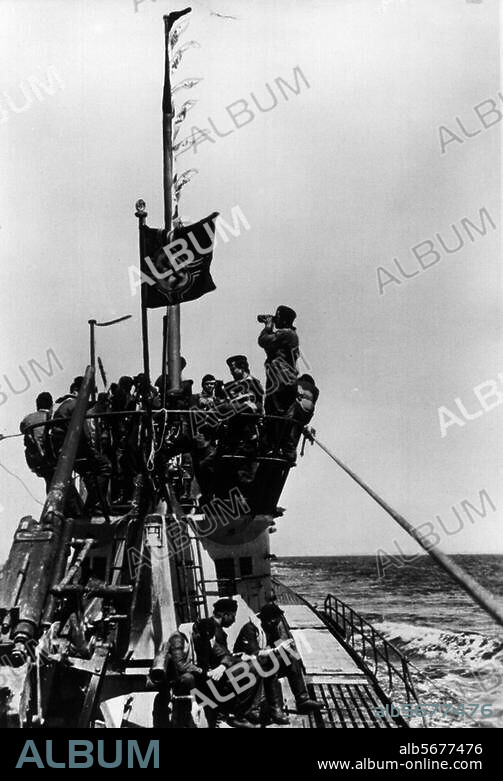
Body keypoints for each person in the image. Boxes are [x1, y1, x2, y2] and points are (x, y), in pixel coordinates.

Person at [233, 602, 321, 724]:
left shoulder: (271, 627)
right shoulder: (251, 629)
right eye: (274, 619)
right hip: (247, 669)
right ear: (267, 619)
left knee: (292, 659)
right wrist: (277, 651)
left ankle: (302, 700)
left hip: (263, 664)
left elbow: (279, 646)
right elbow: (255, 654)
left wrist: (288, 650)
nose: (276, 622)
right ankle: (275, 710)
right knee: (273, 665)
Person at [192, 598, 264, 728]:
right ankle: (239, 714)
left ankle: (249, 710)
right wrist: (229, 662)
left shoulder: (213, 627)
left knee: (252, 663)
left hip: (216, 672)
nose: (234, 620)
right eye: (232, 616)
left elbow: (221, 653)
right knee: (255, 668)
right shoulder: (210, 629)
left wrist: (238, 656)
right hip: (211, 676)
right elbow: (218, 653)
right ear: (224, 615)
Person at [52, 377, 111, 516]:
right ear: (76, 391)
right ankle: (94, 506)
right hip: (77, 452)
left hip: (64, 451)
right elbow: (83, 433)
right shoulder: (75, 405)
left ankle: (94, 506)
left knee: (90, 475)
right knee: (105, 467)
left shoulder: (61, 405)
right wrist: (91, 450)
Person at [258, 306, 299, 416]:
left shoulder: (286, 333)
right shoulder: (290, 335)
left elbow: (263, 341)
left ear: (284, 320)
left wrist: (267, 327)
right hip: (281, 380)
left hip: (281, 382)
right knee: (275, 416)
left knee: (276, 415)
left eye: (278, 317)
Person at [19, 392, 54, 490]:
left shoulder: (28, 418)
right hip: (50, 458)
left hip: (34, 459)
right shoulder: (53, 416)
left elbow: (22, 429)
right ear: (51, 404)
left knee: (50, 482)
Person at [283, 373, 320, 465]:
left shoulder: (298, 384)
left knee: (286, 430)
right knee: (295, 432)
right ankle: (290, 454)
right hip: (306, 416)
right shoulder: (315, 391)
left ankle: (284, 450)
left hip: (296, 410)